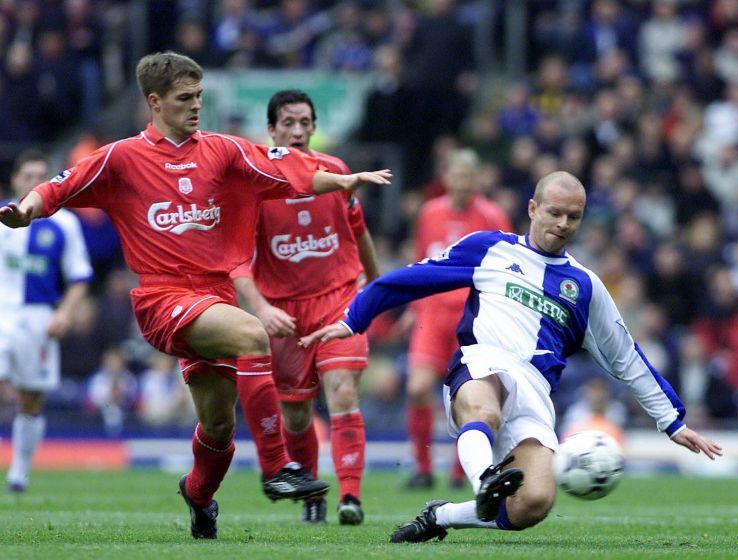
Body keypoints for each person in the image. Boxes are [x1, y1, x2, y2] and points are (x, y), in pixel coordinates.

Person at [0, 51, 391, 539]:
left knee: (218, 425)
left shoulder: (223, 151)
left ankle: (199, 494)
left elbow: (288, 169)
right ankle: (276, 469)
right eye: (185, 98)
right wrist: (24, 211)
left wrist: (342, 179)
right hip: (163, 299)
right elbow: (59, 186)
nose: (196, 105)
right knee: (253, 336)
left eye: (200, 96)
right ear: (155, 102)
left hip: (213, 298)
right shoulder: (122, 158)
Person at [300, 171, 723, 542]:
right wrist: (354, 319)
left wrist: (672, 421)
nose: (562, 224)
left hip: (535, 392)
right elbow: (410, 280)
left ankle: (441, 515)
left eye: (573, 217)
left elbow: (626, 357)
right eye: (554, 212)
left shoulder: (586, 286)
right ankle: (485, 478)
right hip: (483, 363)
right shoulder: (489, 248)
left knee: (533, 503)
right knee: (487, 405)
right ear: (533, 208)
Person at [232, 89, 379, 525]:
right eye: (288, 123)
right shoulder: (255, 184)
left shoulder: (336, 172)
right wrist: (259, 308)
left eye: (305, 123)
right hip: (284, 313)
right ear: (272, 130)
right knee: (295, 416)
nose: (298, 131)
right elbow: (236, 258)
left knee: (343, 392)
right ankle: (312, 489)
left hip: (338, 300)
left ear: (315, 127)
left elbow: (358, 230)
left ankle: (350, 497)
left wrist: (376, 285)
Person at [403, 148, 511, 489]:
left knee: (467, 394)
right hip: (432, 314)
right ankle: (422, 468)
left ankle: (458, 470)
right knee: (419, 388)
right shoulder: (429, 213)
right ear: (446, 177)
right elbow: (421, 260)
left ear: (478, 179)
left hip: (472, 315)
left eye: (469, 177)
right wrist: (411, 305)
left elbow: (508, 267)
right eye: (457, 176)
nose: (462, 183)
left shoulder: (492, 216)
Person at [0, 149, 93, 493]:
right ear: (15, 180)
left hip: (39, 318)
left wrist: (65, 313)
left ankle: (19, 473)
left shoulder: (64, 223)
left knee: (31, 399)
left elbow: (79, 276)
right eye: (28, 176)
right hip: (2, 313)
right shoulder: (1, 217)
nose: (33, 182)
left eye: (41, 176)